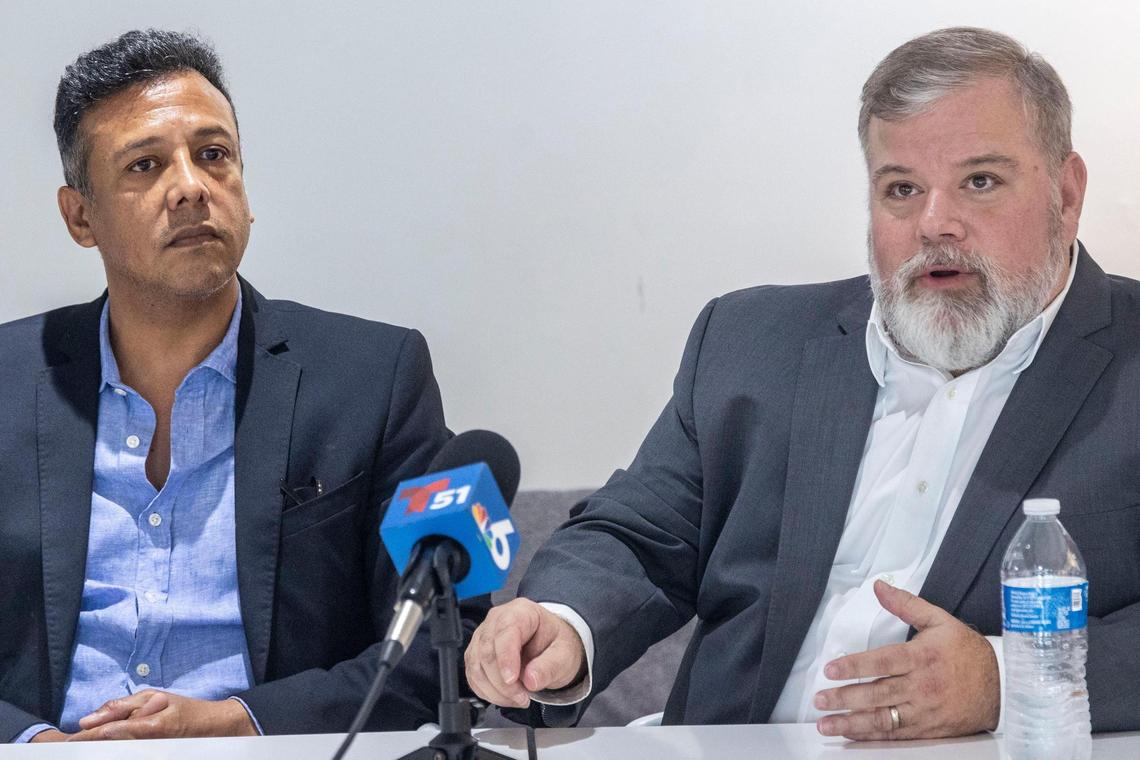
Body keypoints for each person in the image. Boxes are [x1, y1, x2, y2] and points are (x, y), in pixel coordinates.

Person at [465, 26, 1140, 740]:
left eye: (980, 181)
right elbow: (639, 534)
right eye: (902, 189)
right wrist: (561, 624)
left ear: (1066, 194)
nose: (936, 223)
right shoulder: (753, 341)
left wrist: (1008, 678)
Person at [0, 29, 478, 742]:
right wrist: (38, 747)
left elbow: (447, 639)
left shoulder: (371, 376)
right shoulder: (8, 379)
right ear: (80, 217)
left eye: (213, 155)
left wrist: (236, 723)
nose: (191, 185)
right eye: (145, 164)